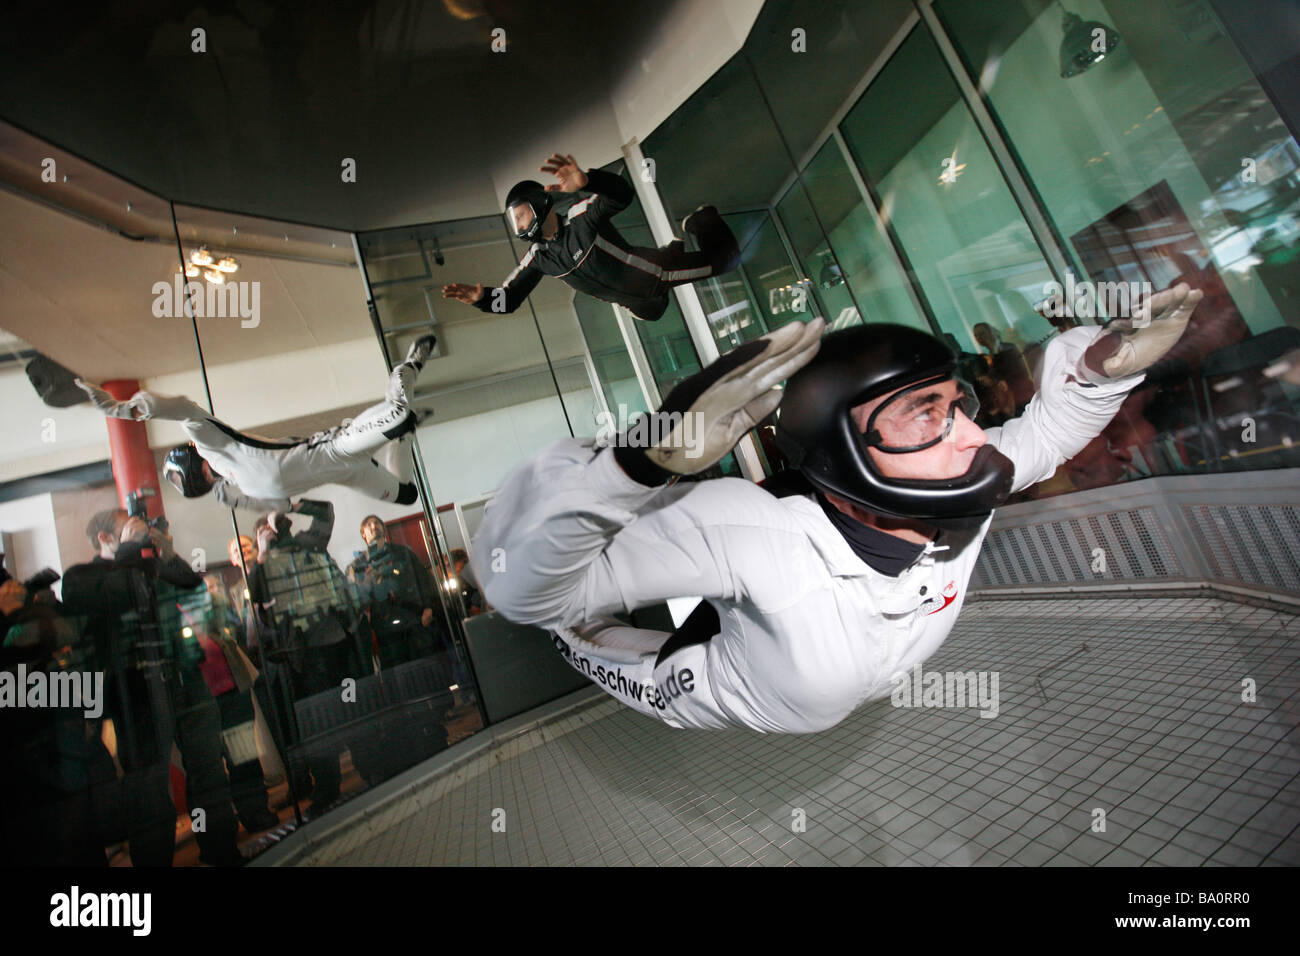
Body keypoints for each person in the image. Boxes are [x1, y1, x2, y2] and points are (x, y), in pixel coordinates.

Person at [473, 285, 1203, 733]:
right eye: (924, 414)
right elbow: (528, 593)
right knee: (580, 628)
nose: (975, 436)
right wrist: (635, 463)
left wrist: (1106, 365)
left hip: (858, 667)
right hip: (745, 689)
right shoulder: (750, 533)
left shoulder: (961, 492)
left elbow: (1042, 432)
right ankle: (586, 637)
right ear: (845, 451)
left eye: (957, 406)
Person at [61, 509, 244, 865]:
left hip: (185, 677)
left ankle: (221, 850)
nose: (138, 528)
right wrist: (131, 551)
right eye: (125, 526)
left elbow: (192, 586)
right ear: (104, 538)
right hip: (137, 695)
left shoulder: (150, 566)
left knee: (208, 770)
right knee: (149, 790)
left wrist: (169, 554)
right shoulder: (81, 578)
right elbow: (118, 591)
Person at [75, 335, 436, 512]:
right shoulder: (238, 490)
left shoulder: (216, 450)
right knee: (407, 496)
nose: (203, 479)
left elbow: (185, 409)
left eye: (194, 476)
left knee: (399, 415)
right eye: (196, 485)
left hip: (336, 447)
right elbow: (281, 506)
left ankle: (409, 369)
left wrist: (130, 409)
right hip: (346, 474)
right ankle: (406, 436)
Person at [442, 153, 740, 322]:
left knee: (727, 262)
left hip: (657, 275)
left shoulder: (580, 217)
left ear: (538, 204)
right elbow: (509, 300)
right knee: (655, 313)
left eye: (520, 215)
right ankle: (676, 247)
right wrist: (483, 300)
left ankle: (703, 222)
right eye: (513, 221)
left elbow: (622, 196)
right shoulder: (539, 258)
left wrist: (590, 181)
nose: (518, 225)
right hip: (639, 305)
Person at [347, 516, 444, 669]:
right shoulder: (357, 566)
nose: (373, 526)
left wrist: (429, 607)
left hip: (417, 620)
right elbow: (354, 600)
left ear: (384, 529)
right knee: (401, 676)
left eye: (377, 523)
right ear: (363, 535)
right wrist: (367, 582)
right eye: (368, 524)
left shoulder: (403, 552)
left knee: (431, 669)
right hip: (387, 632)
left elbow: (424, 580)